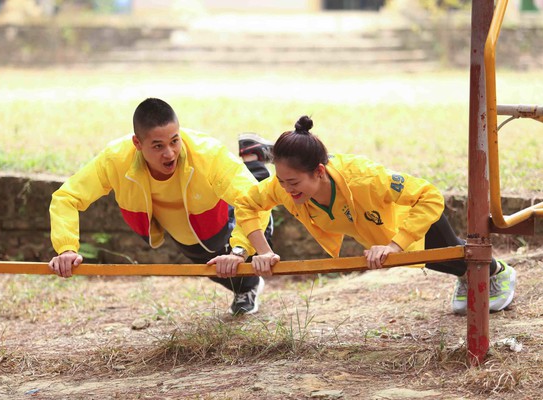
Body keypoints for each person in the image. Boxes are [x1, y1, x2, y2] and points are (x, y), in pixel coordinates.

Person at [227, 115, 517, 315]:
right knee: (430, 261)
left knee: (446, 255)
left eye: (293, 183)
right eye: (281, 181)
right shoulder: (284, 186)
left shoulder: (363, 178)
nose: (287, 190)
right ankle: (468, 276)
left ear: (319, 171)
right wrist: (263, 252)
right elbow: (247, 203)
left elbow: (429, 196)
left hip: (413, 219)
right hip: (380, 232)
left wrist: (394, 245)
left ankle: (498, 272)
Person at [48, 98, 273, 316]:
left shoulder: (208, 153)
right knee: (211, 263)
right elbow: (67, 196)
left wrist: (239, 251)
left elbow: (253, 201)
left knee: (256, 245)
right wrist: (66, 248)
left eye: (175, 141)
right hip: (186, 230)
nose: (169, 153)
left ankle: (253, 160)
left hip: (223, 211)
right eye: (158, 146)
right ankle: (251, 157)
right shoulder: (115, 159)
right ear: (137, 143)